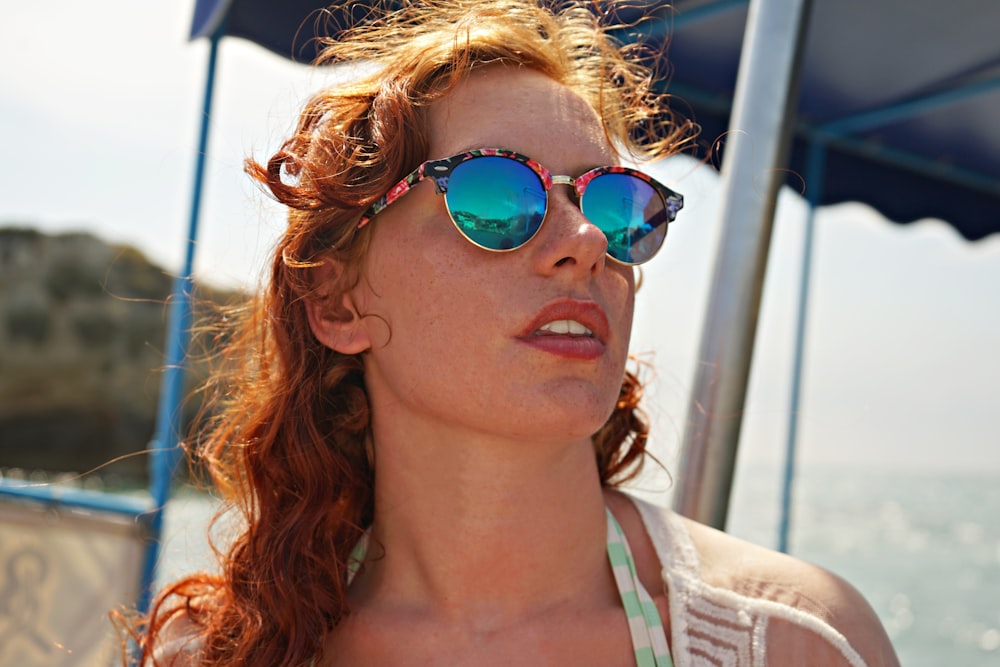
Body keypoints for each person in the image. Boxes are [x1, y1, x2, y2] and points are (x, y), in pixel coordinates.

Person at [131, 1, 901, 665]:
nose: (587, 241)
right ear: (336, 302)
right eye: (496, 195)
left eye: (614, 206)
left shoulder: (794, 642)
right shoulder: (224, 650)